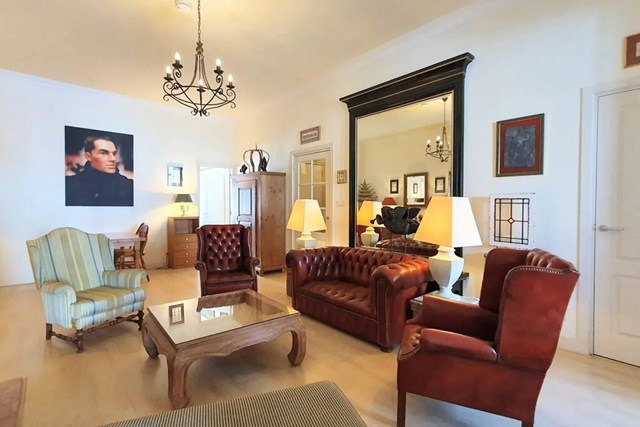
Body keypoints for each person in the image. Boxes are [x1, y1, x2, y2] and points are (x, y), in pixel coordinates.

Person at [65, 136, 133, 206]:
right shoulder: (69, 185)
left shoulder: (128, 186)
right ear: (88, 156)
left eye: (114, 153)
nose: (113, 159)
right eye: (103, 153)